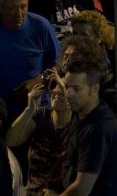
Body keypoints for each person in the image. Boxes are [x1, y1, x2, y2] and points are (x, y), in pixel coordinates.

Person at [61, 57, 117, 195]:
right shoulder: (81, 111)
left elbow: (81, 189)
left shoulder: (98, 129)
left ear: (94, 89)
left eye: (76, 89)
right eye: (67, 87)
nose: (68, 94)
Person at [5, 65, 72, 193]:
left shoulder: (78, 124)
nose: (57, 91)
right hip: (33, 191)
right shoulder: (41, 115)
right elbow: (10, 141)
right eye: (56, 86)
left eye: (63, 88)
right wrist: (29, 110)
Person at [0, 0, 59, 111]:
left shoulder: (40, 26)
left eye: (23, 7)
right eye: (12, 8)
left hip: (38, 108)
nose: (19, 14)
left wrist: (39, 81)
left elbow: (59, 65)